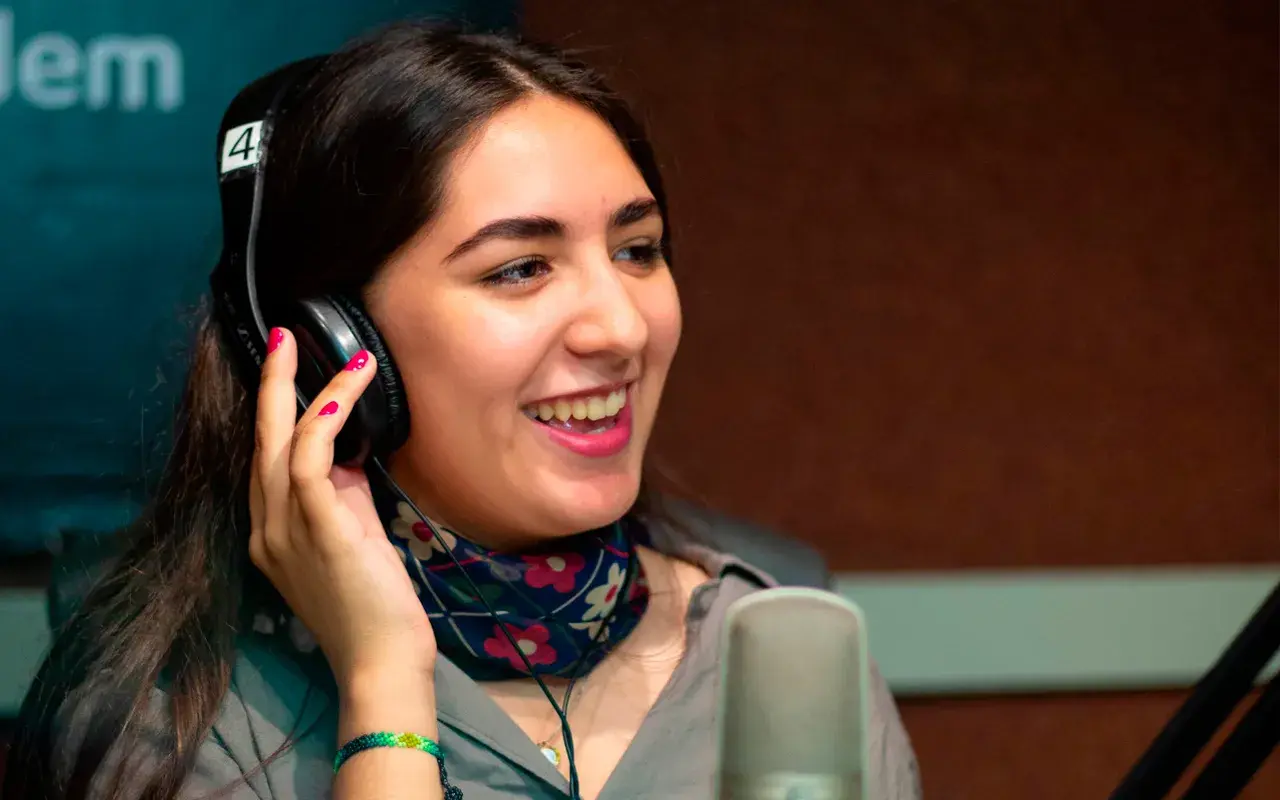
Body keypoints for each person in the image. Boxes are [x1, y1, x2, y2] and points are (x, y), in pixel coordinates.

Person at [6, 21, 922, 800]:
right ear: (333, 344)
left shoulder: (780, 654)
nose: (620, 327)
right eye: (520, 268)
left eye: (638, 250)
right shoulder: (178, 714)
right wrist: (383, 688)